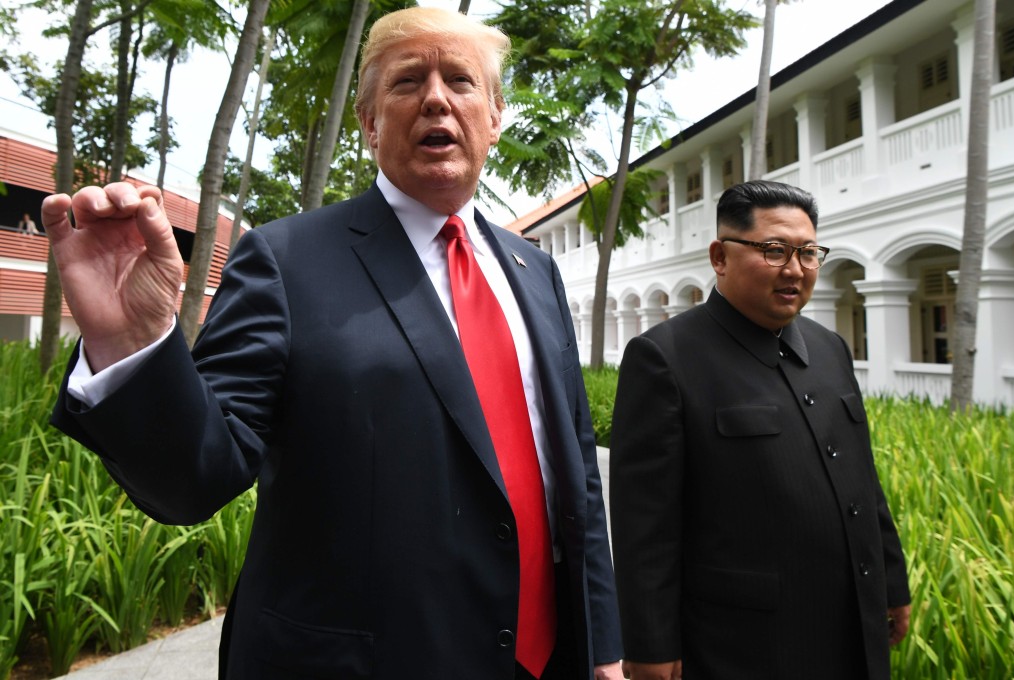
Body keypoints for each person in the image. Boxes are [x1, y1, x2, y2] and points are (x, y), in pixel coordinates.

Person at [42, 8, 623, 680]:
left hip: (545, 661)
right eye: (408, 82)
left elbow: (576, 474)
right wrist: (133, 342)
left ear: (494, 118)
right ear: (370, 124)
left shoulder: (535, 269)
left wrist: (601, 643)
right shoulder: (285, 261)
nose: (436, 97)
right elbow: (195, 479)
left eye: (460, 80)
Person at [609, 180, 911, 680]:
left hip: (850, 624)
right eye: (774, 250)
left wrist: (890, 583)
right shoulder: (665, 358)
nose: (795, 268)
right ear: (720, 257)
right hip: (743, 643)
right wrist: (650, 646)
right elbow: (645, 525)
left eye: (808, 252)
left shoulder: (830, 348)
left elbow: (862, 479)